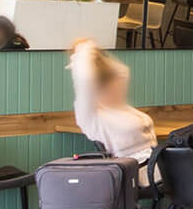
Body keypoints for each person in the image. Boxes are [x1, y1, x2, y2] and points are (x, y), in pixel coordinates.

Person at [67, 38, 157, 166]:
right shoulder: (89, 114)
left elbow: (122, 72)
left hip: (155, 165)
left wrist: (97, 54)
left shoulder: (118, 106)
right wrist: (82, 52)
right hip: (135, 174)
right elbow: (85, 79)